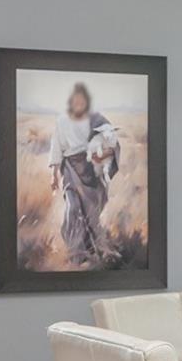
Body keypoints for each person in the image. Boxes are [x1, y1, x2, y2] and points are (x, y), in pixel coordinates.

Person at [48, 82, 122, 266]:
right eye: (76, 102)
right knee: (72, 207)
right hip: (71, 169)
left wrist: (104, 154)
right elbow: (56, 148)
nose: (79, 105)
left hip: (91, 169)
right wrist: (53, 175)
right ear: (71, 102)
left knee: (91, 213)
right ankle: (76, 252)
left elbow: (112, 140)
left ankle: (91, 248)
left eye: (82, 102)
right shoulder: (61, 121)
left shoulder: (96, 118)